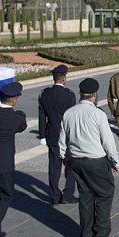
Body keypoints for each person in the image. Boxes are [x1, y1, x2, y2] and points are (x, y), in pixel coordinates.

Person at [59, 78, 119, 237]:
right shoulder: (98, 114)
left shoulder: (69, 113)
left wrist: (66, 160)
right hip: (96, 161)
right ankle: (100, 236)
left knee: (85, 197)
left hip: (77, 162)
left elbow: (62, 141)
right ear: (94, 95)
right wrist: (115, 161)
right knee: (105, 194)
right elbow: (108, 141)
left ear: (80, 94)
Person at [0, 82, 28, 237]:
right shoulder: (14, 118)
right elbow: (21, 126)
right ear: (14, 99)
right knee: (6, 195)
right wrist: (21, 115)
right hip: (4, 164)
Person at [38, 64, 77, 205]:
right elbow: (72, 117)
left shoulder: (44, 94)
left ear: (53, 78)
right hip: (67, 136)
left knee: (54, 167)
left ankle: (54, 195)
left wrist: (42, 135)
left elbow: (42, 116)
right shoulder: (69, 95)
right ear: (64, 78)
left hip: (52, 135)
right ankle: (68, 194)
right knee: (71, 165)